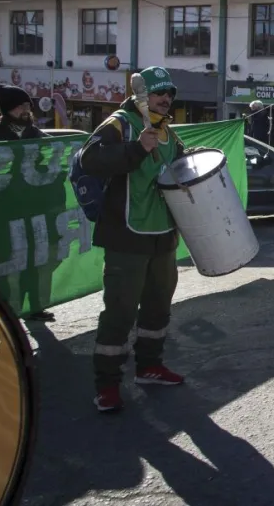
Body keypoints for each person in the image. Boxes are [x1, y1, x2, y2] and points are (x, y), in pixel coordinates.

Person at [79, 66, 187, 413]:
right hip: (127, 236)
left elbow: (179, 170)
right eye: (159, 93)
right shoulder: (120, 123)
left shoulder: (168, 130)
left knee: (158, 307)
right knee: (120, 313)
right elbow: (90, 159)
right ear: (142, 95)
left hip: (163, 236)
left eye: (169, 92)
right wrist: (136, 148)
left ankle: (149, 367)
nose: (165, 98)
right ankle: (107, 385)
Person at [0, 84, 55, 322]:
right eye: (20, 106)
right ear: (6, 109)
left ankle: (35, 306)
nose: (26, 110)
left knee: (35, 259)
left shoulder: (37, 135)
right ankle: (2, 313)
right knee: (3, 263)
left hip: (32, 210)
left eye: (28, 106)